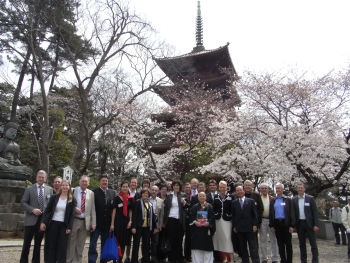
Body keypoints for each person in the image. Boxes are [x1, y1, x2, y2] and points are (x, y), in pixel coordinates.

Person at [20, 170, 53, 263]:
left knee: (38, 244)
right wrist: (32, 210)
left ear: (45, 179)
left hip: (42, 221)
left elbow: (50, 205)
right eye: (39, 177)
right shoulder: (29, 189)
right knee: (27, 243)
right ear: (36, 178)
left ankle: (36, 261)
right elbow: (23, 203)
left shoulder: (49, 190)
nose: (41, 179)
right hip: (31, 219)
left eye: (43, 177)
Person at [40, 180, 76, 263]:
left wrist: (69, 227)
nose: (64, 187)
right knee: (52, 245)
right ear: (61, 186)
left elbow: (72, 214)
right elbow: (47, 210)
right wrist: (43, 222)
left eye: (66, 185)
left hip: (64, 225)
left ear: (69, 187)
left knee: (62, 246)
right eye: (63, 185)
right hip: (53, 223)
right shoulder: (54, 197)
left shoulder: (72, 199)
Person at [67, 176, 96, 263]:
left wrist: (93, 222)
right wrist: (74, 208)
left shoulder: (91, 193)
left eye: (86, 182)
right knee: (71, 242)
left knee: (80, 243)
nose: (84, 183)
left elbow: (93, 209)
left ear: (88, 183)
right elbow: (68, 204)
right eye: (82, 181)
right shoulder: (73, 191)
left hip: (85, 221)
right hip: (74, 220)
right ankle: (69, 259)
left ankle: (77, 260)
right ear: (79, 182)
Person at [88, 175, 116, 263]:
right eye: (103, 181)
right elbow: (91, 207)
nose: (105, 182)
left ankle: (103, 260)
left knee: (104, 243)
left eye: (106, 181)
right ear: (99, 182)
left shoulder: (112, 192)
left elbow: (113, 209)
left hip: (107, 223)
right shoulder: (94, 192)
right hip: (96, 222)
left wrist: (112, 223)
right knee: (93, 243)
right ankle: (92, 260)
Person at [163, 180, 190, 263]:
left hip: (180, 220)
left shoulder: (183, 195)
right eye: (174, 185)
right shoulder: (169, 195)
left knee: (179, 239)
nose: (176, 187)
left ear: (180, 187)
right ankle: (171, 258)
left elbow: (188, 206)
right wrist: (164, 222)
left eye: (177, 185)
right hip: (170, 219)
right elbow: (166, 208)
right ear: (172, 186)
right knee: (171, 239)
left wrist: (184, 202)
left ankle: (179, 257)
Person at [231, 186, 260, 263]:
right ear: (236, 192)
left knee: (253, 246)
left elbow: (254, 214)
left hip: (250, 227)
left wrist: (255, 225)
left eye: (240, 190)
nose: (239, 192)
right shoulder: (234, 203)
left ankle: (255, 261)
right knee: (242, 246)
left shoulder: (250, 201)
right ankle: (245, 260)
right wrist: (234, 226)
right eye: (237, 191)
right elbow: (233, 216)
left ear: (243, 191)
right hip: (239, 227)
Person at [292, 182, 319, 263]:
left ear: (304, 189)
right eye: (298, 188)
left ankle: (315, 260)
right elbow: (293, 213)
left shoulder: (310, 198)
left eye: (301, 188)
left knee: (313, 244)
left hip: (309, 224)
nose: (300, 189)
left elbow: (314, 212)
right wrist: (294, 225)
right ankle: (303, 260)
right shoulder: (294, 199)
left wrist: (316, 224)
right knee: (302, 244)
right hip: (299, 223)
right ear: (297, 189)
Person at [269, 183, 295, 263]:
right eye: (276, 188)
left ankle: (289, 260)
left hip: (286, 224)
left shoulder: (288, 200)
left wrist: (292, 225)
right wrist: (271, 225)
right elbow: (271, 213)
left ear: (282, 189)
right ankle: (283, 260)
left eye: (279, 188)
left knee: (288, 243)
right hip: (277, 223)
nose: (277, 190)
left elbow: (292, 212)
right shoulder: (273, 200)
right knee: (280, 244)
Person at [131, 188, 157, 263]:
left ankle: (145, 259)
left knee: (146, 244)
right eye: (144, 193)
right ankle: (134, 260)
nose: (145, 195)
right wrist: (134, 226)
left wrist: (154, 226)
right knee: (136, 244)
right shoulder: (138, 202)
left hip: (147, 226)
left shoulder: (150, 204)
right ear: (141, 194)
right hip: (139, 226)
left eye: (146, 193)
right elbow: (134, 215)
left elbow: (153, 216)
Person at [110, 181, 134, 263]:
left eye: (126, 186)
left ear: (128, 188)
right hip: (118, 221)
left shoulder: (130, 199)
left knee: (124, 241)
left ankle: (120, 258)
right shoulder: (117, 198)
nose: (125, 188)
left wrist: (130, 221)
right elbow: (114, 211)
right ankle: (115, 259)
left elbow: (130, 211)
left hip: (126, 222)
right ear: (121, 188)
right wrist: (112, 224)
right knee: (117, 241)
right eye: (123, 186)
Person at [190, 192, 216, 263]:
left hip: (206, 230)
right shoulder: (194, 207)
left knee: (207, 248)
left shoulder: (209, 206)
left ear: (205, 197)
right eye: (200, 196)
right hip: (197, 231)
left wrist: (209, 222)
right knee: (197, 248)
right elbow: (191, 216)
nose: (202, 197)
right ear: (198, 198)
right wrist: (195, 222)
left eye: (203, 196)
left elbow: (212, 217)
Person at [212, 181, 235, 263]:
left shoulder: (231, 196)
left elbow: (233, 209)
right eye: (221, 187)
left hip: (227, 220)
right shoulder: (216, 196)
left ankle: (231, 258)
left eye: (224, 187)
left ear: (226, 188)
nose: (222, 189)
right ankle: (223, 258)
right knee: (219, 239)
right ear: (219, 187)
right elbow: (213, 208)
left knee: (227, 238)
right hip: (218, 220)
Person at [259, 183, 278, 263]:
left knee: (273, 240)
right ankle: (264, 258)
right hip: (262, 220)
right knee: (263, 240)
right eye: (262, 188)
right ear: (260, 189)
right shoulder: (258, 198)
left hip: (271, 221)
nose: (264, 189)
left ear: (268, 189)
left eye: (265, 188)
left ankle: (274, 258)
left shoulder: (272, 199)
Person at [125, 177, 141, 263]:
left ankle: (134, 257)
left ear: (137, 184)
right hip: (126, 219)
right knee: (127, 240)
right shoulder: (125, 192)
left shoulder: (139, 195)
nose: (133, 184)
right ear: (130, 183)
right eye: (132, 182)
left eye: (135, 183)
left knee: (136, 241)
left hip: (136, 220)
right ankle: (127, 256)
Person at [149, 185, 164, 263]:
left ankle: (154, 257)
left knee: (155, 242)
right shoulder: (146, 199)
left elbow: (161, 215)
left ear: (158, 192)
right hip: (147, 224)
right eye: (152, 190)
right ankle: (146, 257)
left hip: (157, 224)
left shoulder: (160, 201)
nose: (154, 192)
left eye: (155, 190)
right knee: (146, 242)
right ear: (150, 190)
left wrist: (160, 225)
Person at [157, 184, 168, 262]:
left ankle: (164, 256)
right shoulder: (157, 198)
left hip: (166, 222)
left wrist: (165, 222)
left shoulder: (169, 199)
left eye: (165, 189)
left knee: (165, 239)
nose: (164, 190)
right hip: (157, 222)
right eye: (162, 189)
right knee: (158, 239)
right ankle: (157, 255)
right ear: (160, 190)